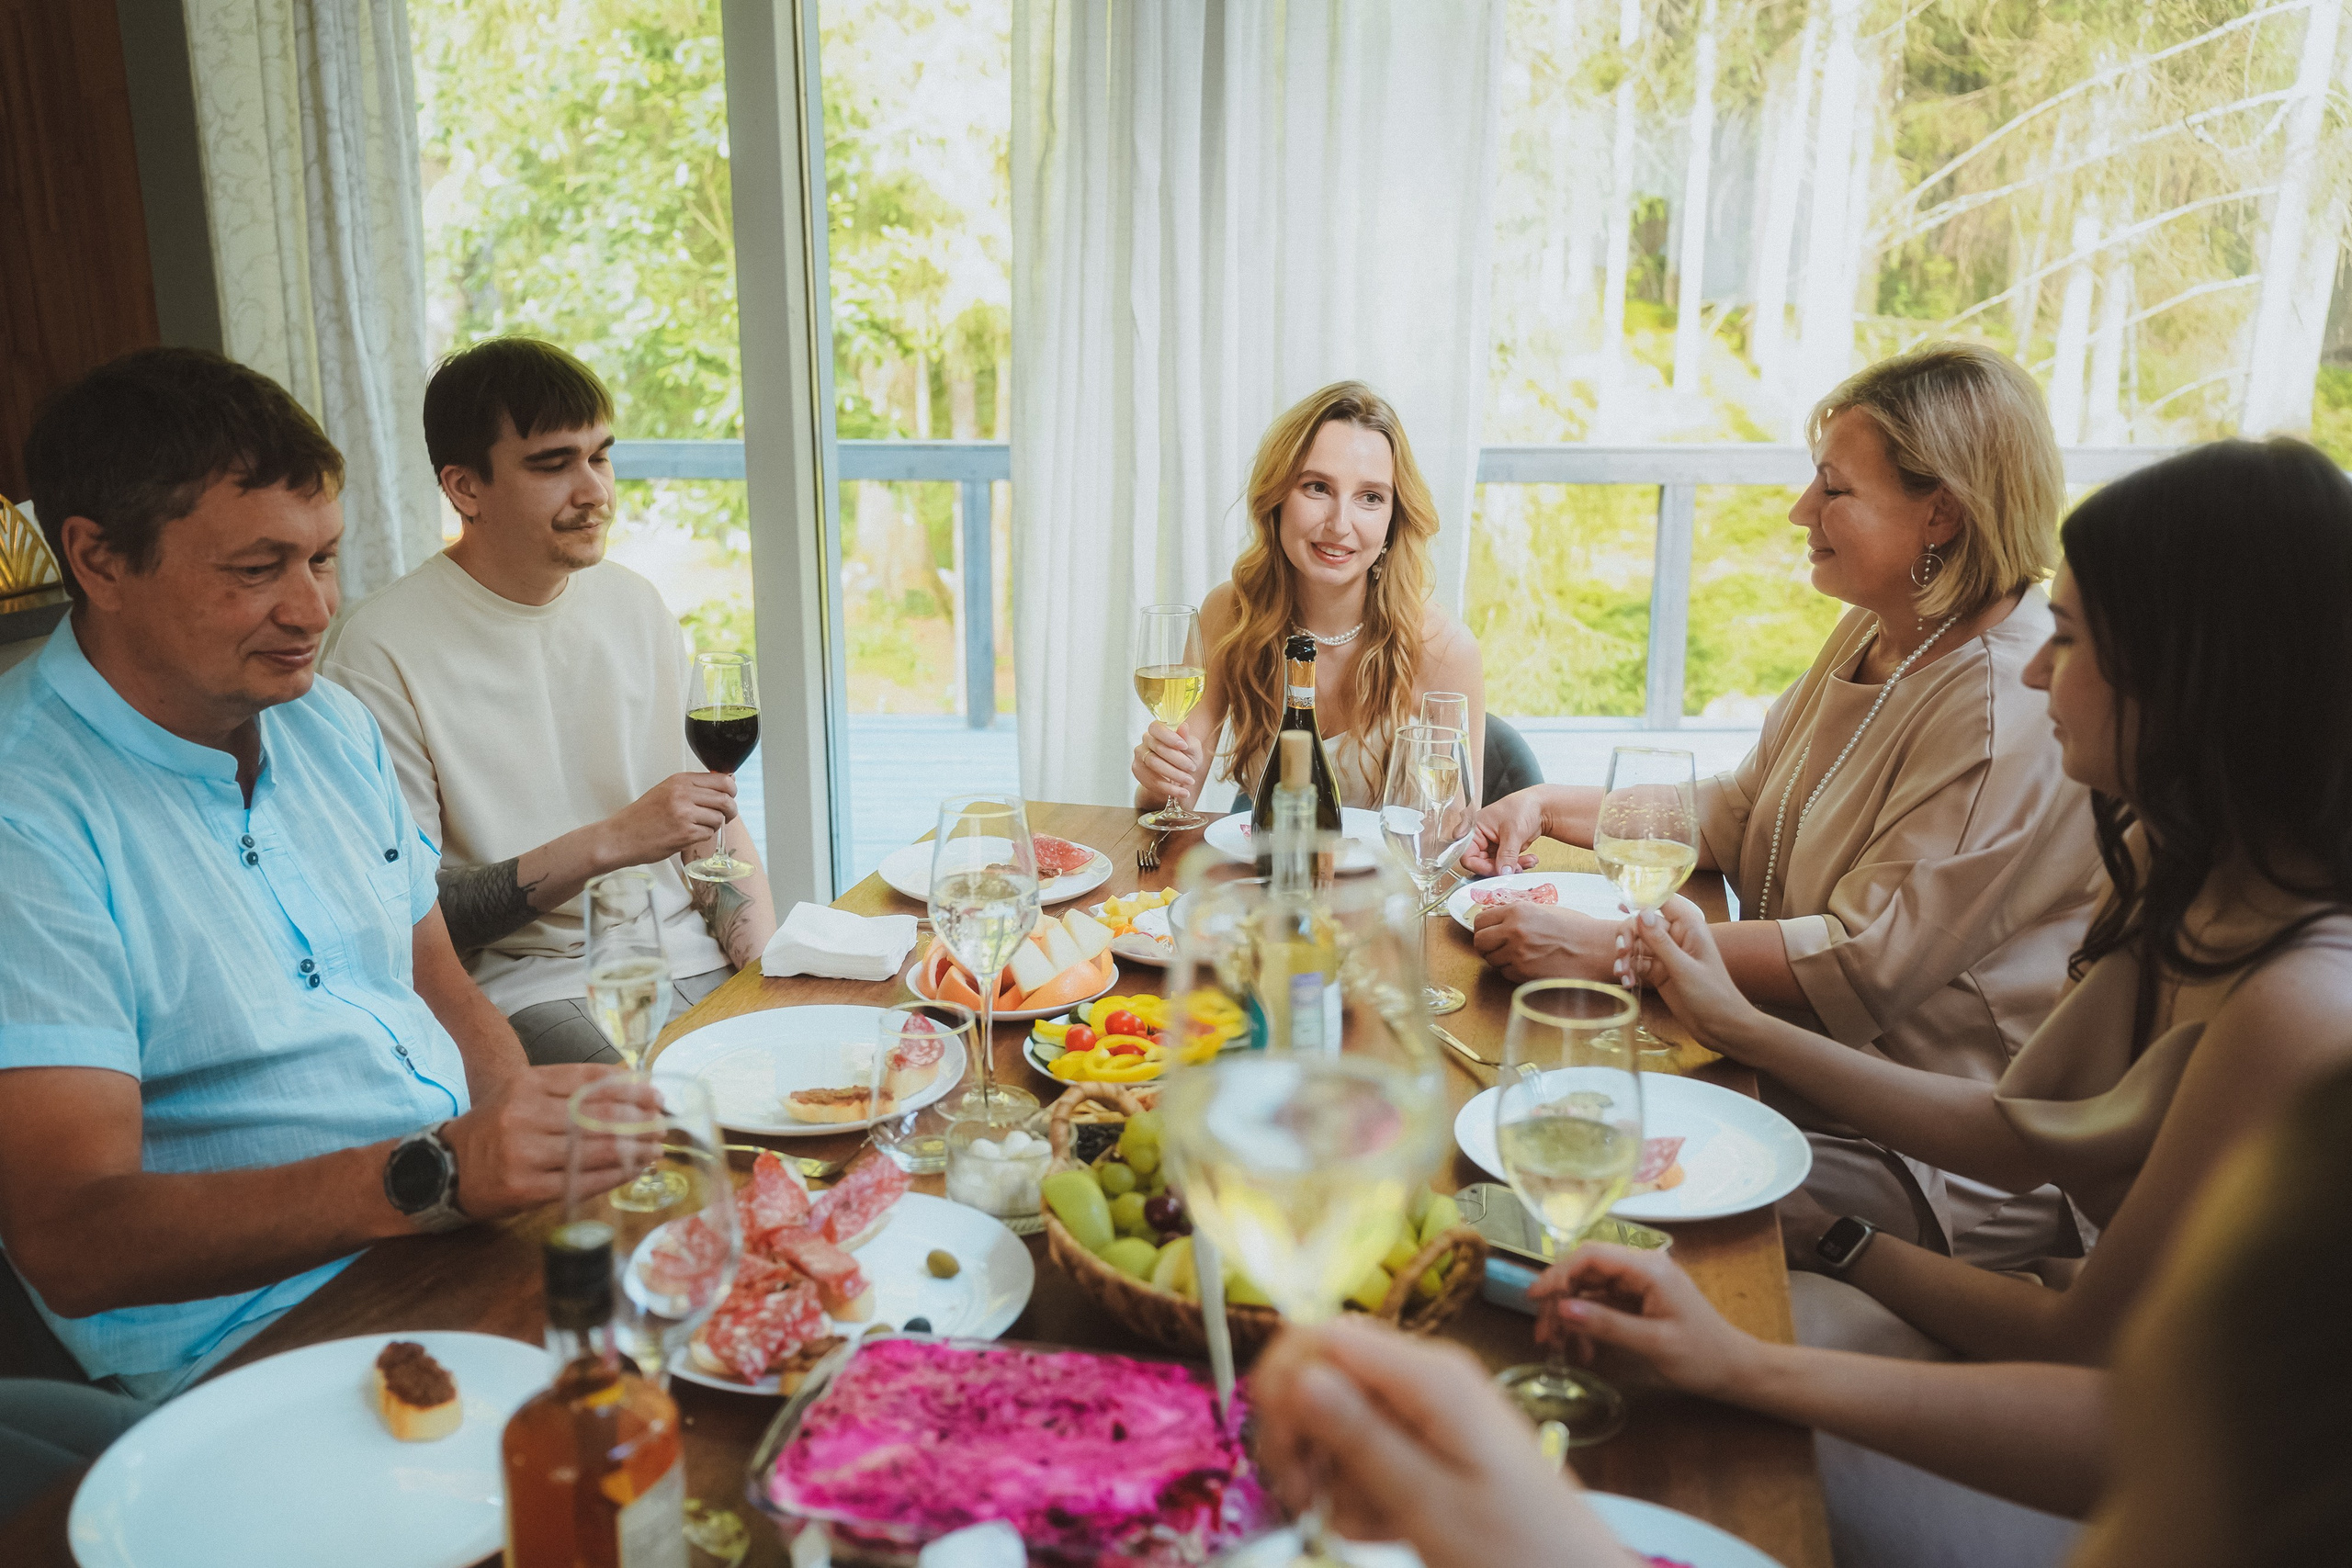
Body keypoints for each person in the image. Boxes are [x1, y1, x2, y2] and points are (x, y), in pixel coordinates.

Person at [1620, 437, 2352, 1378]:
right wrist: (1738, 1026)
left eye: (2072, 636)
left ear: (2197, 676)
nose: (2037, 669)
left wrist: (1822, 1255)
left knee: (1685, 1305)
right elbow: (2016, 1133)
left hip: (2158, 1474)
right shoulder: (2168, 857)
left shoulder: (2298, 1006)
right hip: (2064, 1325)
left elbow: (2088, 1359)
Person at [0, 349, 650, 1401]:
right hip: (259, 1339)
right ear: (98, 560)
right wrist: (435, 1173)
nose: (310, 612)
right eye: (257, 571)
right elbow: (74, 1240)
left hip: (446, 1240)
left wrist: (534, 1154)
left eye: (324, 559)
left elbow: (438, 985)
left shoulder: (327, 724)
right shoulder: (26, 815)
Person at [1466, 344, 2103, 1268]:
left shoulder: (2007, 700)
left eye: (1833, 490)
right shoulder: (1885, 628)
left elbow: (1864, 959)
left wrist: (1615, 950)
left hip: (1916, 1145)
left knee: (1543, 1183)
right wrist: (1547, 802)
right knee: (1518, 1123)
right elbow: (1741, 808)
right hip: (1784, 1071)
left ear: (1941, 513)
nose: (1801, 511)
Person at [1249, 1055, 2352, 1568]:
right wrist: (1737, 1363)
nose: (2041, 664)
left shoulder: (2306, 1028)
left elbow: (2134, 1414)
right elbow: (2139, 1415)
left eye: (2071, 631)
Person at [323, 339, 776, 1066]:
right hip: (539, 986)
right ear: (465, 487)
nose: (594, 490)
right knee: (684, 1125)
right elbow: (413, 914)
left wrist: (764, 971)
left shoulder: (635, 604)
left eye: (600, 456)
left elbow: (706, 825)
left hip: (693, 957)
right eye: (553, 463)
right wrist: (610, 840)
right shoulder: (379, 650)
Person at [1129, 381, 1486, 816]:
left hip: (1388, 883)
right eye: (1317, 487)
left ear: (1394, 519)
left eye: (1370, 498)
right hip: (1269, 879)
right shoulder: (1230, 615)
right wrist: (1158, 778)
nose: (1339, 524)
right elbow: (1174, 801)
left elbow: (1452, 834)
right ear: (1277, 497)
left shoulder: (1445, 649)